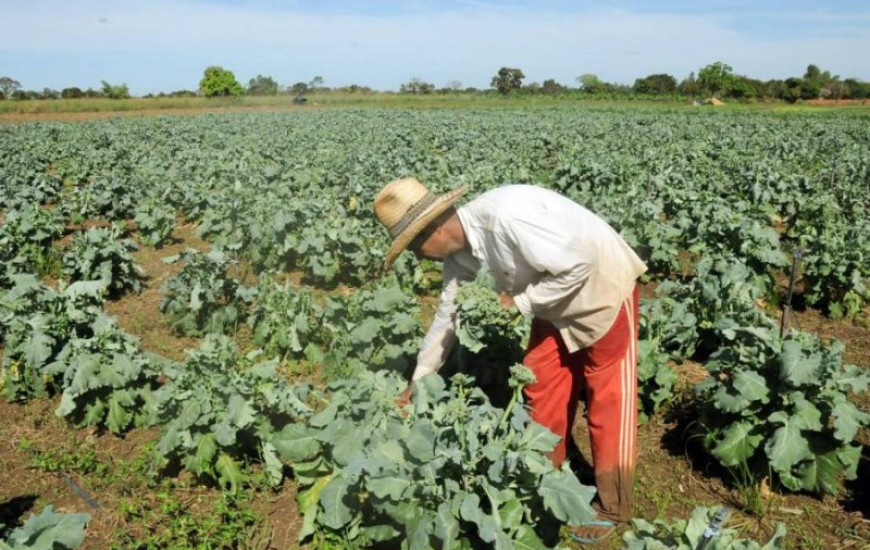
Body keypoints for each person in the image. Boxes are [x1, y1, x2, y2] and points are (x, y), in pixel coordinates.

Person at [373, 177, 647, 543]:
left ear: (433, 230)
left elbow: (580, 263)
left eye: (413, 248)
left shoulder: (506, 218)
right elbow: (447, 317)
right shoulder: (459, 256)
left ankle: (614, 505)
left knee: (607, 399)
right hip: (551, 302)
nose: (417, 257)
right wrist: (419, 381)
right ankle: (547, 481)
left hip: (602, 286)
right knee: (540, 384)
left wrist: (520, 303)